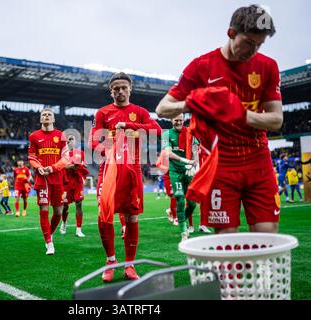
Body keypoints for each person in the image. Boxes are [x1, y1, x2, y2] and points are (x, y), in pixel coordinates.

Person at [156, 5, 282, 234]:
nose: (254, 51)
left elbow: (276, 119)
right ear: (231, 33)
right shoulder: (202, 66)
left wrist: (242, 115)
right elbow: (162, 108)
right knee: (226, 242)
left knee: (268, 237)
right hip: (221, 164)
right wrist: (193, 102)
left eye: (259, 45)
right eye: (249, 43)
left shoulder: (268, 66)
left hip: (258, 161)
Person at [89, 72, 162, 282]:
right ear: (110, 91)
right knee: (105, 216)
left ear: (130, 89)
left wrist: (130, 126)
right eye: (116, 88)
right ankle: (111, 261)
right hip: (109, 170)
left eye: (124, 87)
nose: (120, 91)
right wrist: (108, 151)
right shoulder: (103, 113)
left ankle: (129, 265)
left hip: (132, 170)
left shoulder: (138, 112)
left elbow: (156, 130)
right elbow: (93, 141)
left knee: (132, 217)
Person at [28, 108, 69, 255]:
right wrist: (38, 167)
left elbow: (65, 158)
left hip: (57, 177)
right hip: (42, 178)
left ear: (53, 119)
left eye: (49, 115)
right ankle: (49, 243)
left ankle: (49, 234)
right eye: (43, 115)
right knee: (44, 209)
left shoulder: (61, 136)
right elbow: (31, 156)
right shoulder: (34, 136)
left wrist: (52, 168)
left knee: (58, 211)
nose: (46, 116)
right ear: (40, 119)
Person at [60, 134, 89, 238]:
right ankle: (63, 224)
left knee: (79, 204)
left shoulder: (80, 153)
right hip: (67, 182)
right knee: (65, 206)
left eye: (72, 139)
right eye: (68, 139)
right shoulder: (63, 154)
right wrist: (71, 166)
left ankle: (78, 229)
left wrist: (80, 167)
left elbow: (84, 165)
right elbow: (62, 166)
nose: (70, 141)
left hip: (77, 182)